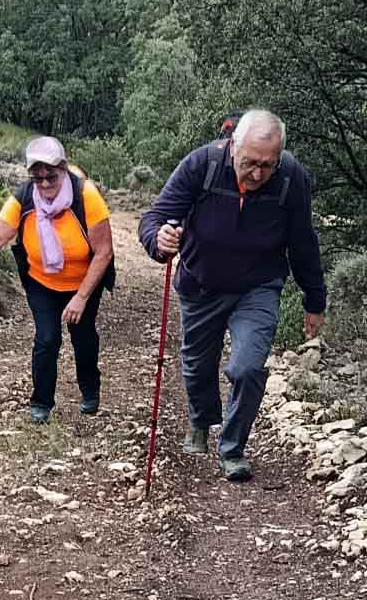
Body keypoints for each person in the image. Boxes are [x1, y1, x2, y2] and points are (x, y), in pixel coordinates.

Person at [137, 109, 326, 482]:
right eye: (249, 163)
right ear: (232, 146)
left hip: (257, 286)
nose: (257, 174)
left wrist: (314, 300)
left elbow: (303, 242)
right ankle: (202, 420)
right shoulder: (201, 164)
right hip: (200, 281)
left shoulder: (291, 178)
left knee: (248, 367)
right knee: (197, 365)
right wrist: (158, 240)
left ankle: (233, 447)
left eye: (267, 166)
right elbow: (155, 217)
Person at [0, 136, 114, 423]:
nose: (44, 184)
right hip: (41, 281)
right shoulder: (25, 196)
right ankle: (41, 403)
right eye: (37, 178)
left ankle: (90, 391)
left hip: (83, 280)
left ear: (63, 169)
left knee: (83, 338)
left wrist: (81, 297)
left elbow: (103, 253)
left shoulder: (86, 196)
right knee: (46, 339)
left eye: (50, 176)